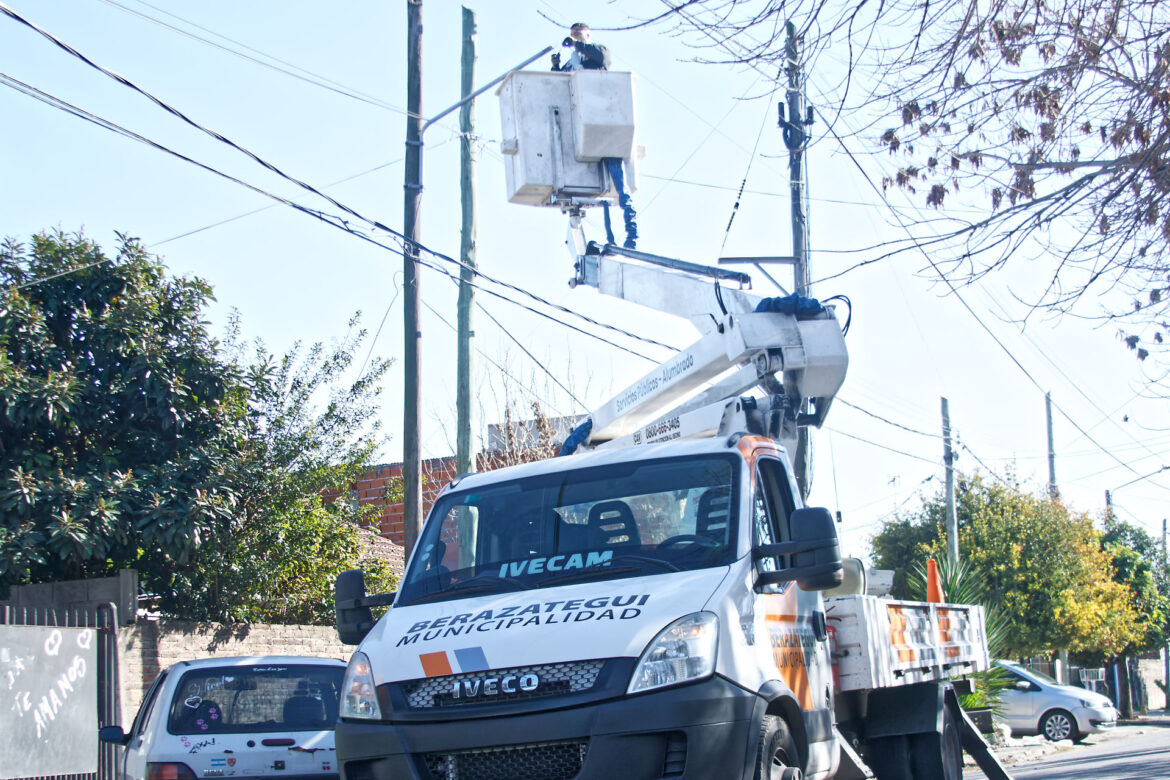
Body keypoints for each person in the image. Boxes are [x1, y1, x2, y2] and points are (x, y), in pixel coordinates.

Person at [550, 23, 638, 249]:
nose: (576, 39)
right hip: (582, 128)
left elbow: (601, 57)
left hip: (603, 124)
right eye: (574, 36)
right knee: (598, 187)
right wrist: (556, 66)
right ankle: (610, 239)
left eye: (580, 36)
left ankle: (631, 234)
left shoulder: (596, 53)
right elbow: (558, 83)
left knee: (616, 182)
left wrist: (579, 46)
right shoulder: (574, 63)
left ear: (587, 35)